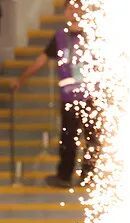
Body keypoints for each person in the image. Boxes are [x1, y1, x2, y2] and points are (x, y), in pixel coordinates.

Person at [11, 0, 98, 188]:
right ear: (65, 12)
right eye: (70, 7)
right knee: (68, 139)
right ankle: (64, 177)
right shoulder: (60, 37)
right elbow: (41, 60)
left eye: (77, 7)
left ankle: (88, 176)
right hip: (69, 99)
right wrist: (21, 79)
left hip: (90, 96)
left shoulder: (92, 36)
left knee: (91, 138)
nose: (74, 11)